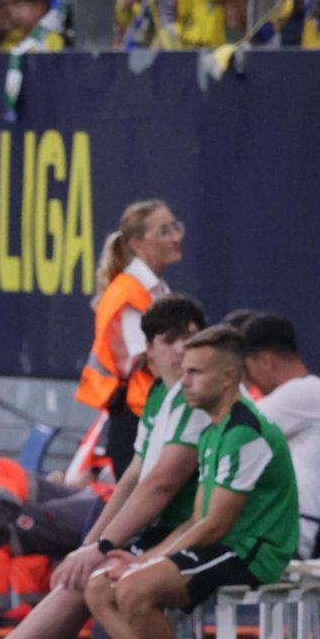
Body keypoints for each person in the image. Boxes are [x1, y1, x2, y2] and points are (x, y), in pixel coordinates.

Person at [0, 294, 209, 639]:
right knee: (87, 573)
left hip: (203, 534)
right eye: (171, 340)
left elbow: (159, 485)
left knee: (102, 578)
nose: (183, 348)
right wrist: (89, 546)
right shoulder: (160, 396)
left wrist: (100, 547)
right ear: (149, 351)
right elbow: (133, 480)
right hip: (166, 529)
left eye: (191, 337)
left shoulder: (199, 399)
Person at [85, 325, 298, 639]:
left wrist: (144, 565)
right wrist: (140, 560)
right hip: (221, 541)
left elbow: (215, 525)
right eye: (183, 371)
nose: (183, 381)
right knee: (98, 586)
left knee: (133, 588)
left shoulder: (244, 432)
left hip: (253, 550)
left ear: (229, 377)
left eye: (195, 372)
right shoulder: (213, 430)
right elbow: (197, 517)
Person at [76, 200, 183, 477]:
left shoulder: (154, 289)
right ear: (137, 244)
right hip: (137, 417)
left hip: (149, 413)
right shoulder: (129, 294)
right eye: (163, 231)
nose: (175, 237)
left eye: (175, 227)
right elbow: (152, 361)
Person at [238, 315, 320, 557]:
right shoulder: (306, 395)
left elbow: (236, 430)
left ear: (266, 362)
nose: (246, 381)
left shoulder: (309, 393)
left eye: (245, 370)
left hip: (279, 534)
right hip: (267, 526)